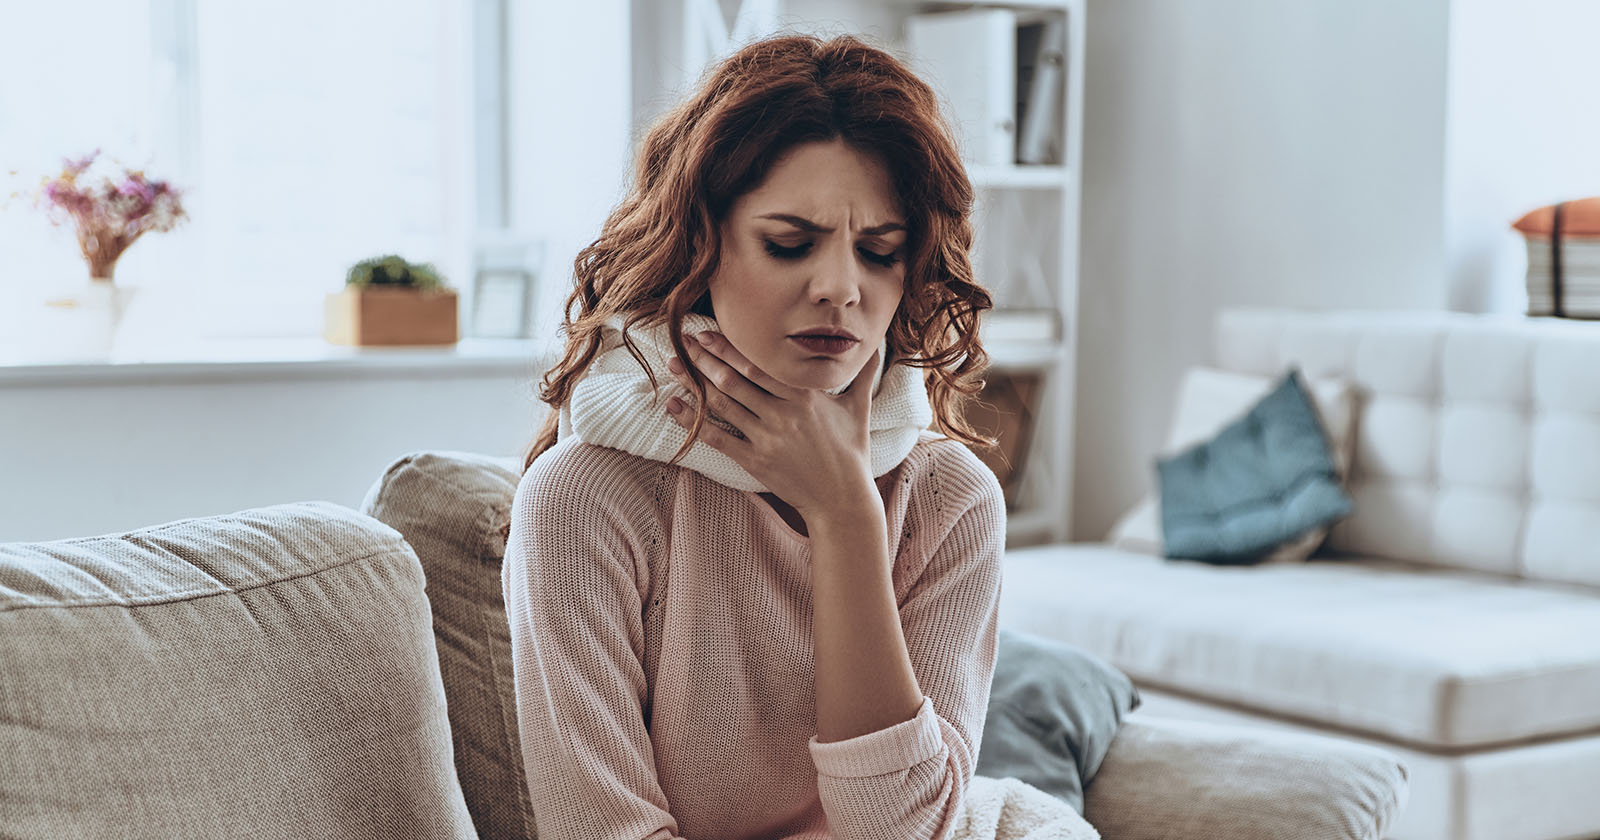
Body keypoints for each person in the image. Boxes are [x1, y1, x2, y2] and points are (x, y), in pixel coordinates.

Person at [503, 32, 1006, 840]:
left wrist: (845, 516)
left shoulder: (952, 499)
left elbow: (908, 832)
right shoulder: (583, 501)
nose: (840, 288)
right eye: (789, 244)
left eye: (880, 252)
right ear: (697, 248)